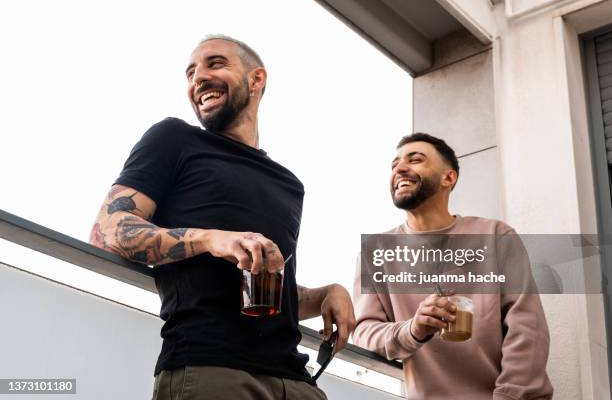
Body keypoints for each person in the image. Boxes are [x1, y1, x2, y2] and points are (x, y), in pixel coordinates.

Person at [89, 35, 355, 400]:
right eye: (190, 72)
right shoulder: (174, 139)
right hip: (211, 370)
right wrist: (213, 239)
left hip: (297, 382)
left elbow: (264, 281)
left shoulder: (289, 184)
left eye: (215, 63)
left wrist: (327, 293)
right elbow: (108, 230)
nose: (197, 78)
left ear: (256, 79)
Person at [352, 133, 553, 400]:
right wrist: (412, 330)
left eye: (415, 160)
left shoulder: (495, 236)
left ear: (449, 177)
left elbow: (528, 329)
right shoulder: (375, 252)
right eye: (394, 164)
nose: (400, 168)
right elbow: (364, 331)